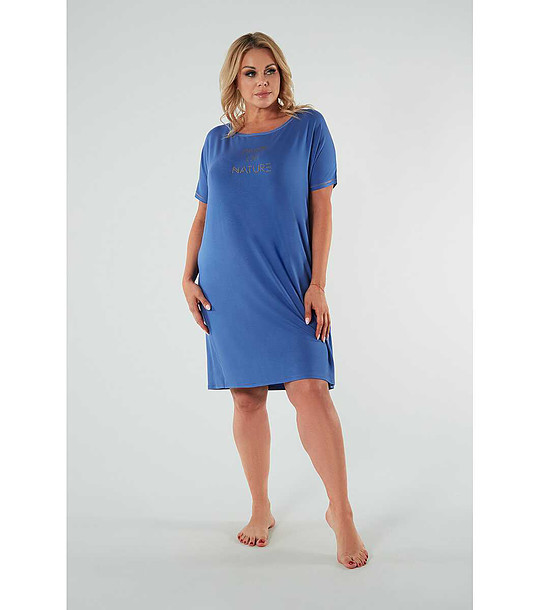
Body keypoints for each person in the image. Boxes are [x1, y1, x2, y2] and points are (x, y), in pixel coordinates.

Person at [182, 32, 368, 569]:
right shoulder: (216, 142)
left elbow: (322, 210)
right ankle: (260, 507)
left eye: (269, 71)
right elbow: (203, 215)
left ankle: (341, 512)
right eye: (250, 73)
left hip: (289, 282)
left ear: (281, 74)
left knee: (310, 388)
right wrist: (187, 277)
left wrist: (317, 283)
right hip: (227, 286)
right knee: (246, 398)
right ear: (235, 81)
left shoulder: (308, 127)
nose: (261, 81)